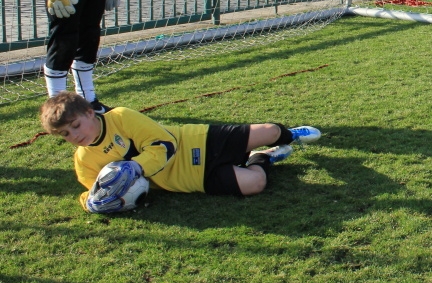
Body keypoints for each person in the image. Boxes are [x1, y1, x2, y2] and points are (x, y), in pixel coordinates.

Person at [39, 91, 322, 212]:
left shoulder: (121, 117)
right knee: (255, 184)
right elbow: (96, 191)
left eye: (75, 126)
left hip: (199, 141)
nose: (74, 136)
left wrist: (136, 167)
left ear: (90, 113)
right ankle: (264, 157)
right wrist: (90, 203)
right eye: (65, 134)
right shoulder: (85, 160)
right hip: (189, 179)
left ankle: (290, 135)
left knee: (271, 130)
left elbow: (165, 144)